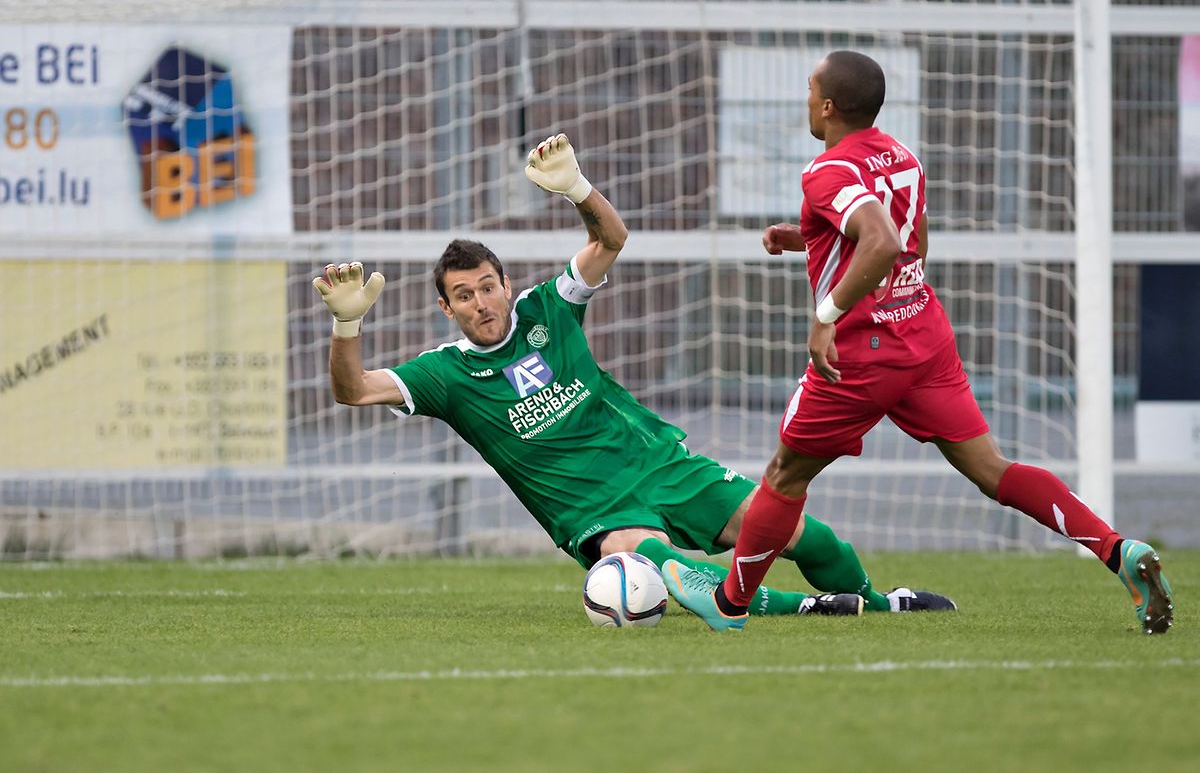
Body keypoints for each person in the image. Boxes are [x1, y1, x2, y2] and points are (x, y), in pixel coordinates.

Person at [313, 133, 955, 618]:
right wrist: (347, 326)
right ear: (445, 308)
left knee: (801, 532)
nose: (481, 303)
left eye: (488, 286)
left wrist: (578, 189)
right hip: (595, 513)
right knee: (652, 558)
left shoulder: (548, 307)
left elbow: (612, 238)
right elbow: (354, 389)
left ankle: (876, 600)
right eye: (464, 295)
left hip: (662, 465)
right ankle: (806, 609)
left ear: (506, 284)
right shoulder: (445, 373)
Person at [663, 50, 1174, 634]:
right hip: (924, 339)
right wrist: (811, 237)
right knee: (991, 468)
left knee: (784, 477)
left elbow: (878, 239)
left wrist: (827, 314)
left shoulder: (825, 170)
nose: (804, 97)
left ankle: (730, 606)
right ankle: (1117, 549)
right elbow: (908, 245)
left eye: (809, 88)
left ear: (828, 106)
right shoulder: (901, 155)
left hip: (859, 355)